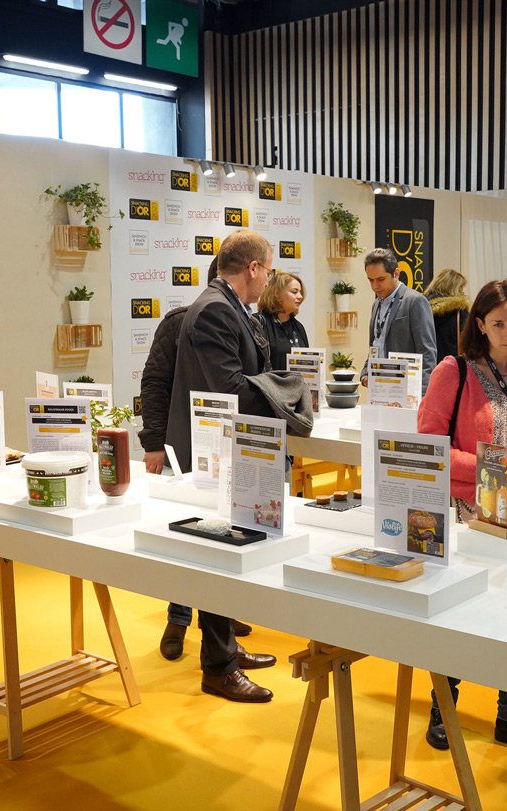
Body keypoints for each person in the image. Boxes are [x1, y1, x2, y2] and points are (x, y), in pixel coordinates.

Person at [415, 279, 507, 758]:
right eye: (498, 324)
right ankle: (443, 709)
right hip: (470, 515)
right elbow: (429, 447)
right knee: (460, 612)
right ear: (479, 324)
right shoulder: (453, 372)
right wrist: (493, 467)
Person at [163, 230, 284, 702]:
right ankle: (219, 668)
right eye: (268, 270)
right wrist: (283, 389)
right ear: (252, 268)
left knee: (222, 556)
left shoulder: (225, 305)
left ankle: (226, 650)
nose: (268, 280)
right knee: (214, 556)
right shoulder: (216, 308)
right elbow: (230, 387)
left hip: (220, 449)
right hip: (212, 454)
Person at [138, 260, 252, 660]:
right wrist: (154, 443)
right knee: (188, 540)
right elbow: (154, 383)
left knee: (223, 538)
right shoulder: (178, 323)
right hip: (184, 448)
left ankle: (221, 624)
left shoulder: (246, 324)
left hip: (228, 450)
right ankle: (178, 618)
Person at [361, 247, 437, 391]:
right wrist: (365, 373)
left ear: (396, 274)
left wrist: (423, 392)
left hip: (407, 389)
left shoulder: (415, 301)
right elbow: (376, 344)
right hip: (379, 388)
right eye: (371, 280)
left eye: (381, 279)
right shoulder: (376, 304)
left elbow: (427, 352)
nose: (375, 286)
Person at [254, 271, 310, 370]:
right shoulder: (257, 323)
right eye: (294, 292)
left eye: (300, 292)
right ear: (277, 294)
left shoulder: (299, 327)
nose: (300, 297)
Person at [424, 267, 470, 366]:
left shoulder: (420, 307)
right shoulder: (460, 312)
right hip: (451, 367)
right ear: (454, 289)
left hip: (424, 367)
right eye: (460, 288)